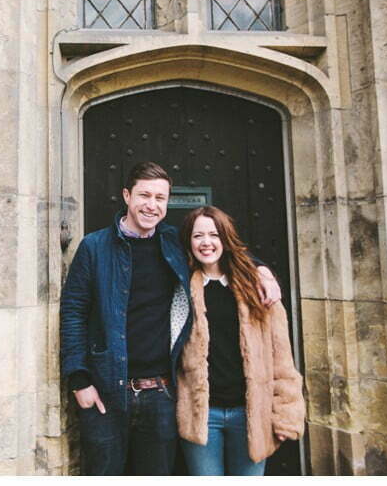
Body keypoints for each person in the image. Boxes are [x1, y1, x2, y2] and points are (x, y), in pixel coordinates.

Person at [59, 162, 282, 475]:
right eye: (144, 195)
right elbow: (73, 312)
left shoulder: (173, 242)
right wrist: (79, 380)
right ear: (127, 195)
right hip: (105, 391)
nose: (152, 205)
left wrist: (262, 271)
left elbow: (219, 252)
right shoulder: (94, 247)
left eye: (160, 198)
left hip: (160, 393)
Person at [176, 205, 305, 476]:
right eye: (198, 236)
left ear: (226, 238)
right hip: (203, 415)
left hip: (250, 414)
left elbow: (281, 357)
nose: (206, 243)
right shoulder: (182, 287)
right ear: (189, 241)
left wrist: (285, 414)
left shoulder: (256, 287)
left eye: (214, 235)